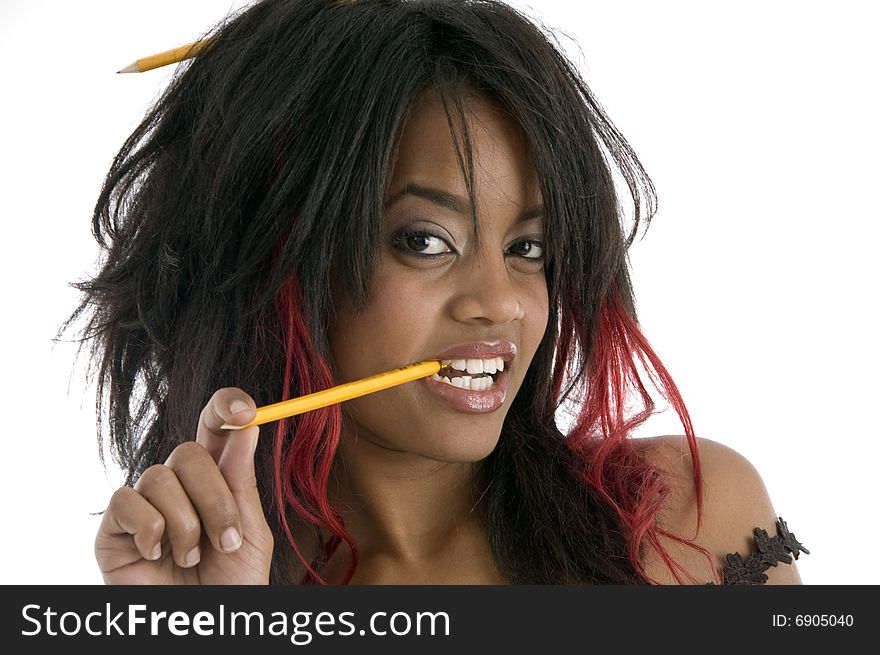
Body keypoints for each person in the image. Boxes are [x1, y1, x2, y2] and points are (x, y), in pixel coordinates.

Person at [62, 0, 807, 585]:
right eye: (425, 241)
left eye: (529, 248)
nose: (502, 302)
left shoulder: (692, 519)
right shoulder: (225, 586)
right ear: (274, 257)